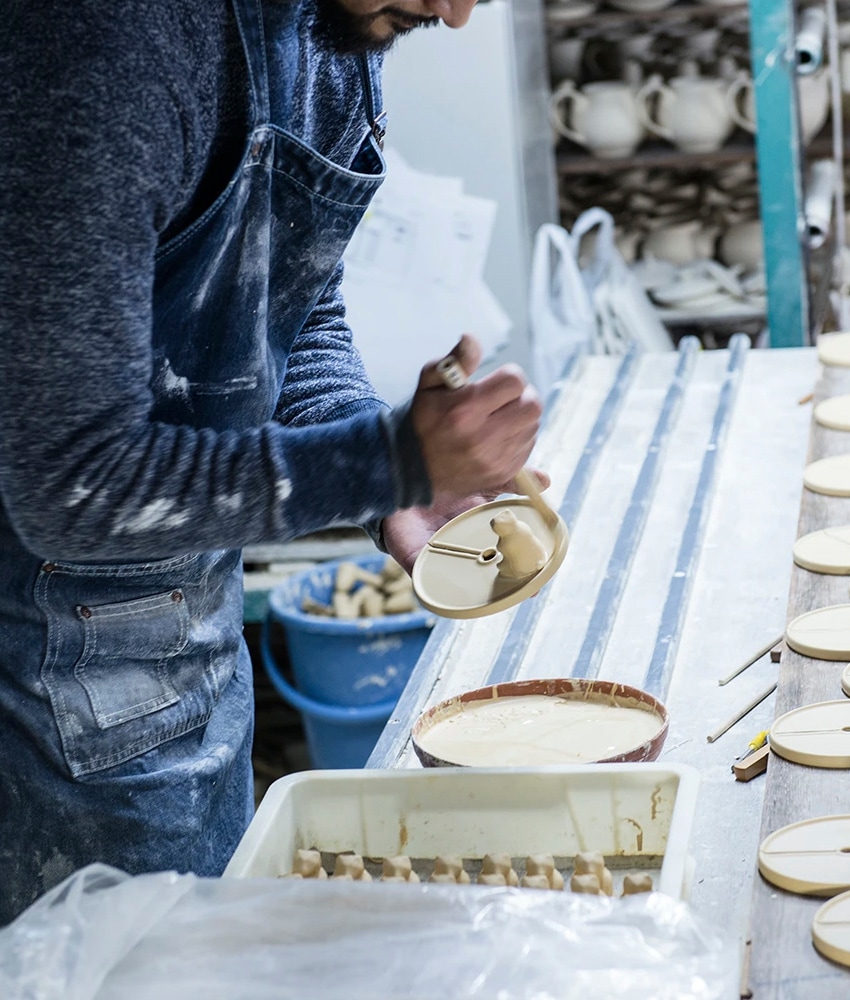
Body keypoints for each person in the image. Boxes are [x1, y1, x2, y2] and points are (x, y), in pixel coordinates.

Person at [0, 0, 544, 923]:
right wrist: (387, 460)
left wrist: (383, 475)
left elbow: (292, 313)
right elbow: (71, 482)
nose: (452, 16)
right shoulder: (108, 42)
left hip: (183, 642)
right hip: (39, 683)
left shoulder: (335, 33)